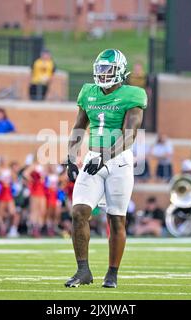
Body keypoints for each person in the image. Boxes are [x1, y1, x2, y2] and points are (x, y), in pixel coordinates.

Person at [65, 49, 147, 288]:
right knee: (79, 211)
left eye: (107, 70)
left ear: (119, 71)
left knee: (116, 219)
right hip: (92, 159)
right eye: (99, 69)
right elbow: (79, 126)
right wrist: (70, 158)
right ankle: (83, 271)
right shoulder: (88, 92)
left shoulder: (133, 94)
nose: (102, 74)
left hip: (119, 161)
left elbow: (129, 135)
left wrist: (106, 155)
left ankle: (112, 273)